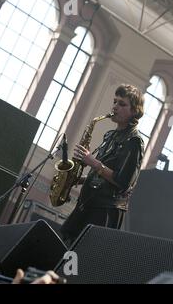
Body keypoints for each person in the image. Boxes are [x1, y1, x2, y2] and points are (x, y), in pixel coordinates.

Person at [60, 84, 145, 245]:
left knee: (82, 260)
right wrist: (79, 179)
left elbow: (123, 182)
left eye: (122, 104)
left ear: (135, 111)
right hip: (89, 204)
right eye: (115, 101)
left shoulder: (134, 141)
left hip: (104, 211)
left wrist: (92, 161)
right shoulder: (111, 135)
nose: (115, 106)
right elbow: (103, 175)